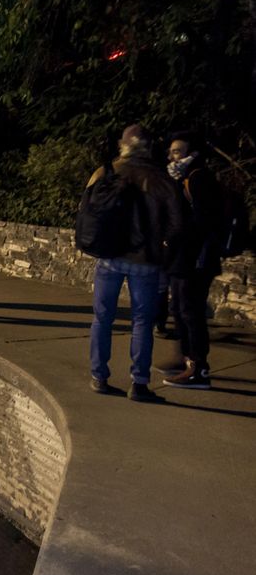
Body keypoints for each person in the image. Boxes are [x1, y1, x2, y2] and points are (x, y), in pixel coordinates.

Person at [86, 124, 187, 402]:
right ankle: (139, 383)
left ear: (123, 145)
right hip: (145, 260)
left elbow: (87, 211)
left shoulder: (105, 172)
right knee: (142, 321)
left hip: (109, 258)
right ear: (149, 147)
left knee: (102, 319)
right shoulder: (160, 179)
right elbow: (177, 224)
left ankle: (99, 377)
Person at [159, 134, 222, 389]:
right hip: (183, 258)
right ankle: (186, 362)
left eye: (178, 151)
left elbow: (201, 222)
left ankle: (198, 369)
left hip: (194, 260)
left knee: (190, 312)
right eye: (171, 151)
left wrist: (171, 238)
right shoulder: (184, 178)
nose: (172, 156)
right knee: (180, 311)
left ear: (191, 153)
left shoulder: (198, 177)